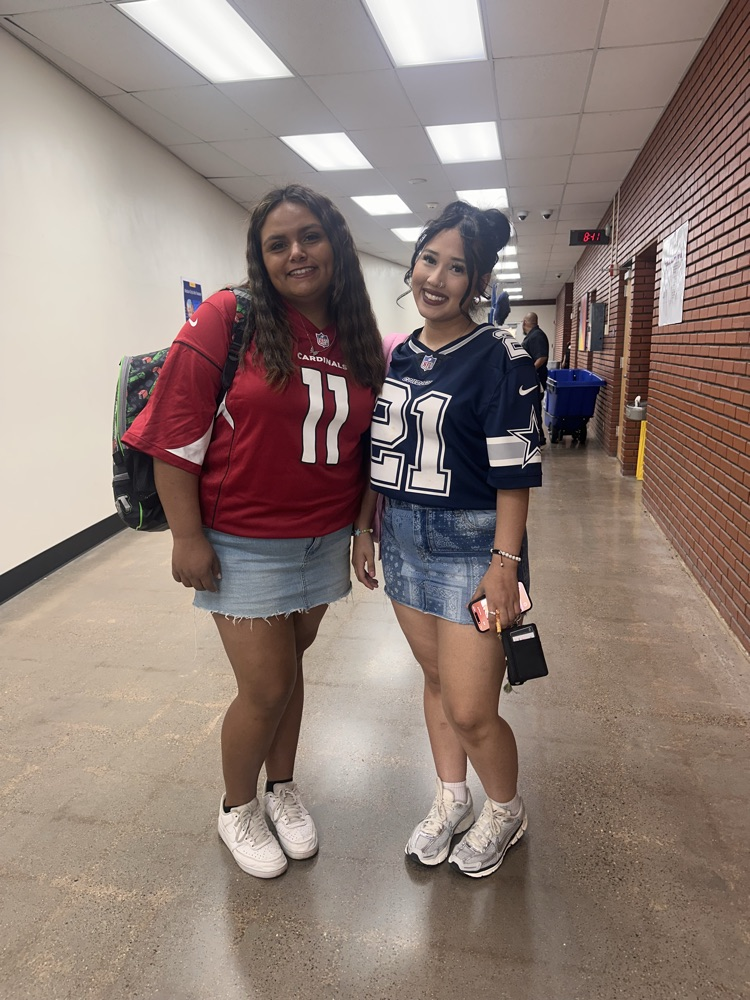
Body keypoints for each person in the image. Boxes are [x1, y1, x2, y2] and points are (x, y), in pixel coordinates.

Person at [124, 185, 384, 879]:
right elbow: (174, 432)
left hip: (323, 536)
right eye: (278, 243)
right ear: (260, 257)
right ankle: (237, 806)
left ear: (336, 244)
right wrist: (187, 536)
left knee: (290, 671)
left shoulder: (357, 335)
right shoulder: (225, 318)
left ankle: (282, 787)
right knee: (266, 686)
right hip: (242, 539)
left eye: (310, 237)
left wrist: (362, 528)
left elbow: (365, 447)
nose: (297, 253)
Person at [352, 201, 542, 878]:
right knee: (434, 679)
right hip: (402, 539)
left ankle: (505, 808)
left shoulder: (500, 355)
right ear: (413, 264)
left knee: (472, 707)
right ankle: (451, 796)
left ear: (477, 281)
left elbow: (514, 475)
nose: (436, 277)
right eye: (429, 259)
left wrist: (505, 564)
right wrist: (366, 526)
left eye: (455, 267)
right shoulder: (399, 354)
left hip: (473, 550)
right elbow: (384, 446)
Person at [521, 312, 550, 444]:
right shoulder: (532, 336)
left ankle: (539, 437)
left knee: (534, 408)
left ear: (525, 323)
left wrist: (529, 371)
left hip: (535, 379)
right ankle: (539, 436)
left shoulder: (537, 336)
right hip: (532, 379)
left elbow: (542, 357)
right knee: (532, 408)